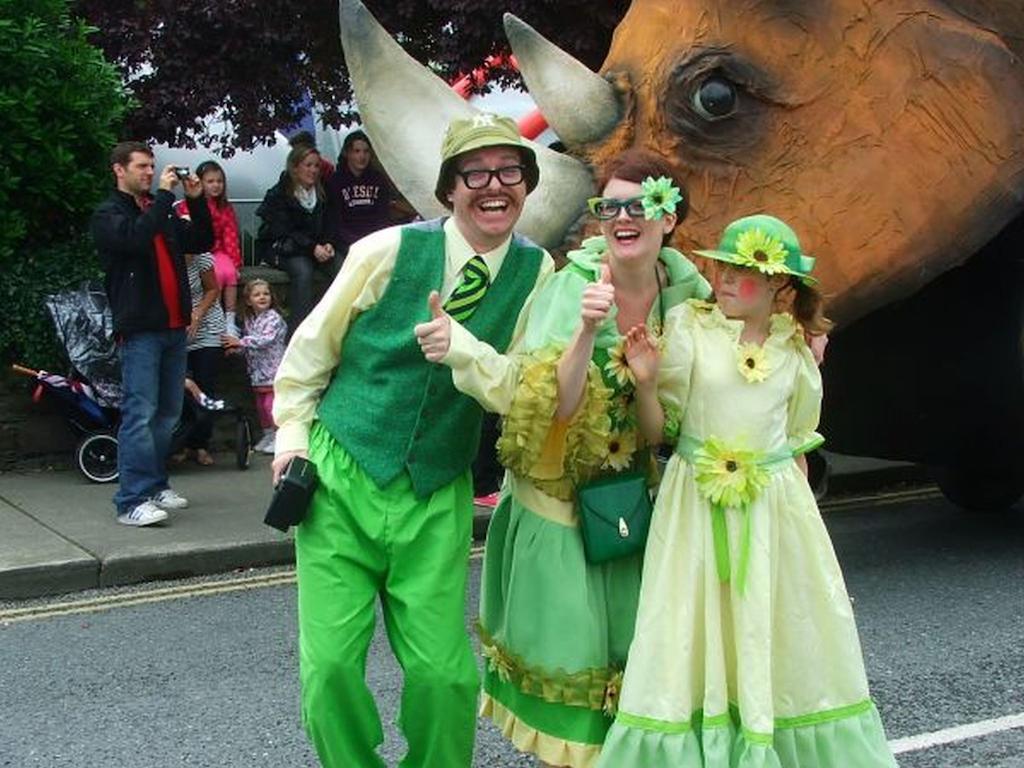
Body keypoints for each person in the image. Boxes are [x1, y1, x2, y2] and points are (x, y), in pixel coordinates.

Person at [271, 113, 555, 768]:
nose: (494, 186)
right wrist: (292, 437)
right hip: (342, 476)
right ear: (449, 188)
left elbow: (523, 390)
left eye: (510, 171)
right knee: (331, 674)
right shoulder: (386, 251)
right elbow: (311, 353)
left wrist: (465, 351)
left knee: (445, 677)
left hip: (436, 491)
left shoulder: (537, 274)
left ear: (526, 184)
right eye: (474, 172)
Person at [423, 149, 711, 767]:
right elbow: (556, 405)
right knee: (577, 692)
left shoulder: (689, 294)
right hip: (561, 511)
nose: (623, 218)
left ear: (670, 217)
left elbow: (692, 406)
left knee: (635, 684)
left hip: (636, 511)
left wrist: (800, 338)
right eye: (611, 207)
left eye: (641, 206)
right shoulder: (572, 284)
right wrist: (586, 330)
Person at [595, 215, 896, 766]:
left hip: (773, 510)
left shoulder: (796, 350)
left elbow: (797, 440)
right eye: (722, 267)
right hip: (694, 507)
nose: (725, 279)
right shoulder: (690, 326)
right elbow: (660, 432)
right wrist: (644, 381)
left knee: (776, 629)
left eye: (741, 271)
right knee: (685, 631)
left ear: (780, 286)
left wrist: (803, 542)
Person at [90, 141, 213, 526]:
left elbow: (200, 241)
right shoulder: (109, 214)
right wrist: (163, 195)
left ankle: (155, 484)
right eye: (142, 167)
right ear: (119, 170)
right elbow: (134, 240)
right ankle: (130, 500)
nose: (149, 172)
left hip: (174, 326)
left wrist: (194, 202)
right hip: (141, 329)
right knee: (139, 415)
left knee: (167, 414)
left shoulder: (157, 210)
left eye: (152, 166)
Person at [254, 144, 336, 333]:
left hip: (315, 247)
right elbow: (283, 229)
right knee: (303, 271)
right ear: (295, 167)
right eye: (308, 165)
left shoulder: (323, 192)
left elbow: (330, 222)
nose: (313, 170)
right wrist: (312, 247)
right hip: (284, 248)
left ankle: (334, 329)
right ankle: (299, 333)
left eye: (316, 166)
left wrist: (328, 242)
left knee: (340, 266)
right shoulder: (279, 194)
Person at [173, 246, 226, 466]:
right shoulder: (165, 260)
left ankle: (201, 444)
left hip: (206, 327)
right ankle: (182, 443)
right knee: (181, 389)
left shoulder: (202, 259)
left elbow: (213, 289)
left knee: (205, 387)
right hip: (177, 329)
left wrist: (198, 313)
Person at [222, 279, 287, 454]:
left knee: (270, 405)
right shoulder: (250, 320)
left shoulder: (273, 318)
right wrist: (237, 349)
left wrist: (240, 341)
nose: (262, 297)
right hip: (257, 372)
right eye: (257, 294)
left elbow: (265, 340)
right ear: (249, 300)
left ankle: (278, 435)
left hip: (273, 369)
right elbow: (250, 346)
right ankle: (267, 434)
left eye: (265, 294)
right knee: (260, 407)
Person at [325, 130, 395, 262]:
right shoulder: (335, 181)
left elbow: (383, 217)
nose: (362, 156)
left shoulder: (379, 180)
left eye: (366, 151)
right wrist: (356, 243)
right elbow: (336, 221)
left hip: (375, 241)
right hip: (348, 243)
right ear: (347, 153)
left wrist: (374, 241)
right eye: (357, 151)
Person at [194, 160, 243, 336]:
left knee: (228, 271)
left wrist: (235, 263)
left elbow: (230, 236)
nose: (216, 185)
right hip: (198, 252)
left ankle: (230, 320)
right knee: (213, 274)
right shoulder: (189, 205)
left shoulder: (225, 207)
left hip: (219, 250)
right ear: (200, 182)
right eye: (210, 181)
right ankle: (214, 317)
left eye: (219, 181)